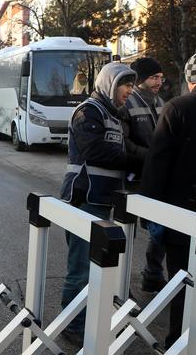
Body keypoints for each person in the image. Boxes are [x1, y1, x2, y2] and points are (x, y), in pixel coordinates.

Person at [59, 62, 139, 346]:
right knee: (80, 271)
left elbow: (122, 151)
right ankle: (73, 325)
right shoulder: (88, 111)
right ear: (110, 83)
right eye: (125, 85)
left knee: (98, 270)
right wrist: (136, 158)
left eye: (131, 85)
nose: (129, 91)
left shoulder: (115, 117)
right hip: (84, 201)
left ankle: (90, 320)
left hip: (104, 202)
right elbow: (95, 151)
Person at [140, 50, 196, 348]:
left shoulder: (177, 108)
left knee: (184, 283)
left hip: (183, 219)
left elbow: (157, 166)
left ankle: (180, 343)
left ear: (191, 80)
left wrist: (149, 213)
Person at [122, 57, 167, 293]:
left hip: (157, 175)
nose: (159, 81)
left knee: (159, 229)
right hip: (133, 177)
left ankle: (152, 274)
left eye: (160, 77)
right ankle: (119, 282)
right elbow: (124, 142)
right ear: (141, 79)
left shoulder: (161, 102)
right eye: (154, 77)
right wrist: (149, 155)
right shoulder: (127, 103)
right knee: (126, 230)